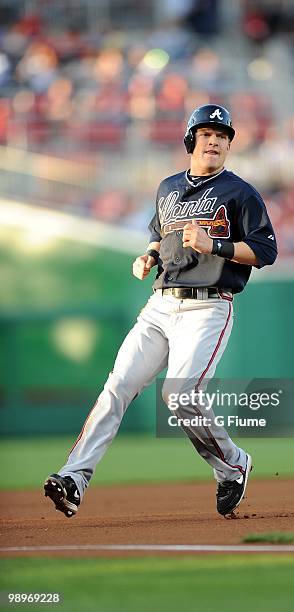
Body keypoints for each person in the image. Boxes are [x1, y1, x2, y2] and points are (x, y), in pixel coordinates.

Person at [44, 104, 278, 519]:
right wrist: (148, 256)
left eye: (222, 136)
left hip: (209, 307)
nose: (215, 141)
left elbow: (265, 251)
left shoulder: (241, 193)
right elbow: (159, 235)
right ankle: (73, 479)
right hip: (161, 304)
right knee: (117, 387)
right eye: (207, 134)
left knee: (180, 395)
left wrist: (217, 246)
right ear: (191, 140)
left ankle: (233, 465)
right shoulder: (168, 188)